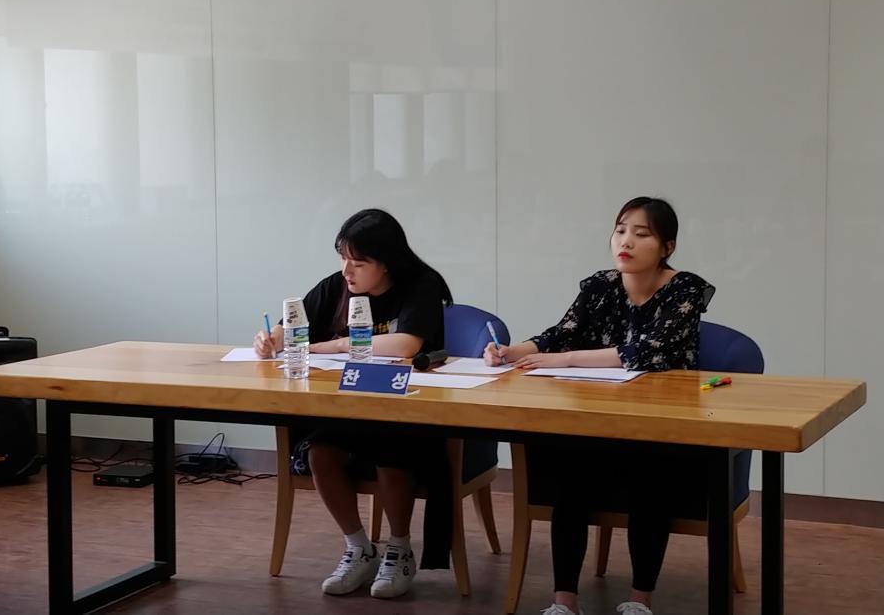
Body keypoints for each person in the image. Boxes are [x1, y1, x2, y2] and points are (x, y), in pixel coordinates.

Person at [485, 196, 715, 615]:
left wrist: (567, 359)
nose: (625, 241)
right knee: (569, 474)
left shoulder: (685, 289)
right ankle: (564, 601)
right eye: (620, 230)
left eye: (641, 234)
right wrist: (514, 351)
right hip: (600, 419)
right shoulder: (600, 285)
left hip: (662, 425)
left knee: (650, 481)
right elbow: (563, 332)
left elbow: (647, 350)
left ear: (667, 247)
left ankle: (640, 600)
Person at [254, 208, 453, 599]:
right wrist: (272, 339)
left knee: (390, 452)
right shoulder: (337, 285)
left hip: (408, 411)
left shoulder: (420, 285)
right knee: (320, 453)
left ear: (386, 262)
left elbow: (406, 344)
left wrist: (338, 344)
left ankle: (399, 549)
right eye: (343, 258)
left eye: (359, 263)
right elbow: (292, 325)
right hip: (348, 407)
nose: (347, 271)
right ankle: (359, 547)